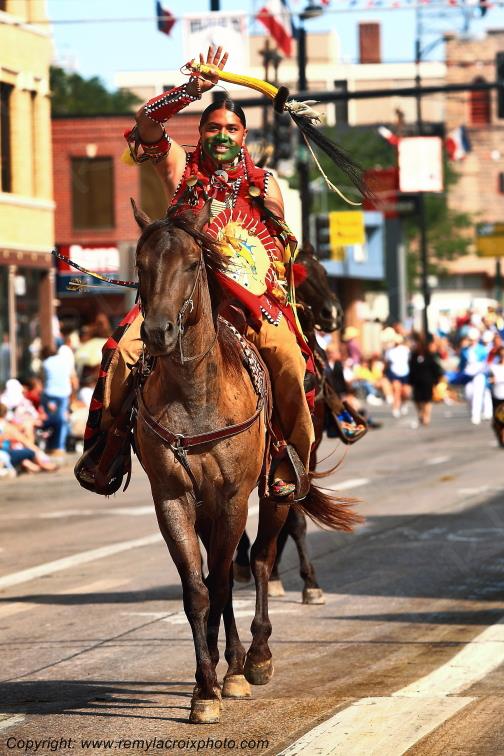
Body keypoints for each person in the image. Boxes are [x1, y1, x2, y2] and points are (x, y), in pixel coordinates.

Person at [79, 46, 317, 499]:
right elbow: (147, 123)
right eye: (212, 127)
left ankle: (289, 459)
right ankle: (106, 447)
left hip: (250, 301)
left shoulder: (265, 182)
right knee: (121, 353)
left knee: (289, 358)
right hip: (178, 294)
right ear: (201, 132)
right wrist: (190, 90)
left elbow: (278, 246)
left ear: (244, 136)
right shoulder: (180, 165)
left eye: (231, 129)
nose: (221, 135)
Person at [40, 345, 77, 457]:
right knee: (61, 420)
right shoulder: (65, 361)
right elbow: (72, 378)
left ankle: (50, 445)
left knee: (50, 419)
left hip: (49, 393)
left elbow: (43, 380)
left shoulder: (45, 363)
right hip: (64, 393)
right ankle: (59, 447)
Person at [0, 403, 57, 473]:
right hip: (7, 452)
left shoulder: (6, 426)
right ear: (5, 414)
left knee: (24, 454)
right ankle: (41, 465)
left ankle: (32, 465)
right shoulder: (6, 426)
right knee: (30, 452)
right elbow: (23, 440)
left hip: (8, 452)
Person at [408, 334, 443, 427]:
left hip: (428, 382)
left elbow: (436, 369)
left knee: (427, 400)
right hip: (417, 382)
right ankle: (420, 413)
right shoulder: (414, 357)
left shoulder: (430, 356)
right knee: (417, 400)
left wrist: (436, 380)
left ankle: (426, 417)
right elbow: (411, 369)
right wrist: (410, 381)